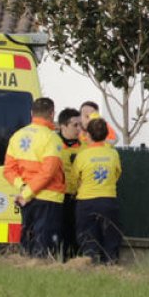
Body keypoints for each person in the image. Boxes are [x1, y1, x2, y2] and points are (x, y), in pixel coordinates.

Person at [5, 97, 66, 258]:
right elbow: (49, 172)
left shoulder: (17, 136)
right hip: (49, 198)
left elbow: (8, 170)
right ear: (52, 114)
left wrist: (24, 188)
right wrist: (28, 192)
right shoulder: (52, 138)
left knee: (28, 242)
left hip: (27, 199)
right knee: (45, 247)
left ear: (32, 113)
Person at [70, 118, 123, 263]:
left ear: (88, 136)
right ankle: (110, 265)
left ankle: (89, 263)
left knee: (87, 237)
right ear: (106, 135)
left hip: (86, 202)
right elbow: (117, 174)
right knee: (110, 237)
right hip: (108, 200)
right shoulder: (113, 154)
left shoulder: (82, 155)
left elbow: (74, 180)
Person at [56, 108, 84, 260]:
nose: (79, 129)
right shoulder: (53, 145)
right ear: (63, 126)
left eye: (80, 125)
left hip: (79, 198)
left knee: (76, 234)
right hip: (58, 197)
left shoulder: (84, 147)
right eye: (75, 125)